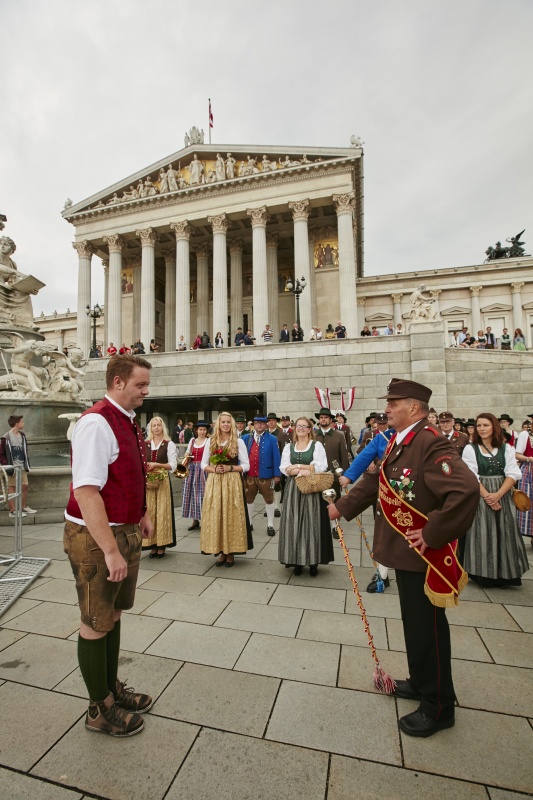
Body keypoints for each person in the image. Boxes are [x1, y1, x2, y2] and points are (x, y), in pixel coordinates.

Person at [328, 378, 479, 738]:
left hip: (423, 555)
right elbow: (380, 480)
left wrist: (431, 533)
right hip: (407, 553)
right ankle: (421, 681)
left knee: (428, 630)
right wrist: (342, 508)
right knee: (415, 625)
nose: (388, 409)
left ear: (414, 407)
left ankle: (439, 706)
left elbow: (466, 490)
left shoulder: (429, 442)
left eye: (394, 403)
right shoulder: (401, 439)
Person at [63, 354, 153, 737]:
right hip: (97, 539)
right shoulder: (97, 422)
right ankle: (98, 708)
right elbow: (86, 491)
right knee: (94, 622)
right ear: (118, 382)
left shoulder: (125, 421)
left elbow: (129, 473)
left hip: (123, 529)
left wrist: (143, 512)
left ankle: (110, 689)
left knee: (114, 614)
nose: (146, 392)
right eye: (140, 385)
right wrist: (111, 550)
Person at [462, 413, 528, 587]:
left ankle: (507, 574)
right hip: (480, 494)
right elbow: (471, 476)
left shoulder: (506, 448)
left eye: (485, 425)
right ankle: (483, 574)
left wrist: (498, 494)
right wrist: (488, 497)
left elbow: (513, 473)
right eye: (479, 426)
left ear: (494, 427)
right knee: (483, 532)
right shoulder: (471, 448)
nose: (481, 429)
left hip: (503, 492)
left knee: (506, 530)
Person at [339, 411, 395, 592]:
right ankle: (383, 576)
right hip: (386, 493)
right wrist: (348, 476)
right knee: (384, 533)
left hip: (413, 497)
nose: (384, 424)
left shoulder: (415, 436)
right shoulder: (381, 439)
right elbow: (364, 456)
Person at [278, 417, 333, 576]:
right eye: (298, 426)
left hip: (311, 487)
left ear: (310, 429)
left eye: (304, 426)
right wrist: (303, 469)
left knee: (312, 523)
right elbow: (284, 467)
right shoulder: (289, 446)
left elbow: (321, 466)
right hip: (293, 488)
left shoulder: (317, 446)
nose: (300, 428)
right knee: (293, 523)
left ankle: (313, 561)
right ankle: (296, 561)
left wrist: (297, 467)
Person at [200, 413, 252, 566]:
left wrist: (230, 467)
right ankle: (220, 550)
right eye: (223, 422)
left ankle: (230, 553)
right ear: (218, 424)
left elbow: (246, 465)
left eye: (228, 422)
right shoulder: (211, 441)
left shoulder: (238, 441)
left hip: (232, 481)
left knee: (230, 515)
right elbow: (203, 464)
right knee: (217, 514)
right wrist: (213, 469)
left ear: (232, 424)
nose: (225, 425)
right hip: (215, 481)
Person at [143, 417, 177, 559]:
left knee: (162, 512)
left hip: (162, 481)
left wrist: (157, 465)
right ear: (150, 428)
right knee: (150, 511)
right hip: (148, 482)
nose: (156, 428)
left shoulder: (169, 444)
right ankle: (151, 543)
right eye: (154, 426)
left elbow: (173, 465)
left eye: (158, 425)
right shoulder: (145, 444)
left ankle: (161, 544)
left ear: (163, 427)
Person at [241, 416, 282, 536]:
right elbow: (241, 456)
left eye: (262, 423)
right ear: (253, 424)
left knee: (269, 500)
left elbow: (276, 457)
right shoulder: (245, 438)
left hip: (266, 475)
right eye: (257, 423)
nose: (259, 425)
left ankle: (270, 525)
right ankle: (249, 523)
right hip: (249, 475)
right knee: (249, 500)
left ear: (266, 425)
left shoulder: (272, 438)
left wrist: (277, 474)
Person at [314, 407, 349, 538]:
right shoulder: (313, 435)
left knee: (334, 500)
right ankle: (320, 526)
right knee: (318, 501)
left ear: (330, 420)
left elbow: (344, 457)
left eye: (325, 417)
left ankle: (335, 526)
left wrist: (345, 475)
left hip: (334, 475)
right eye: (321, 417)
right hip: (317, 475)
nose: (323, 419)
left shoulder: (339, 435)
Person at [0, 415, 37, 517]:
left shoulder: (22, 435)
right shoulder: (6, 437)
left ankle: (23, 507)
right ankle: (12, 511)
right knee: (11, 487)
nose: (23, 423)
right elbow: (1, 453)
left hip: (22, 466)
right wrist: (6, 464)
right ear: (17, 424)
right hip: (12, 467)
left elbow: (25, 450)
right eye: (22, 422)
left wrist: (26, 463)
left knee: (25, 485)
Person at [181, 421, 209, 531]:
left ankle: (205, 520)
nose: (202, 432)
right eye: (200, 429)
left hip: (203, 470)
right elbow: (187, 452)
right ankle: (195, 520)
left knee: (202, 494)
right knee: (191, 494)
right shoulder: (192, 441)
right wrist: (187, 456)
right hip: (192, 470)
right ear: (196, 430)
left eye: (204, 430)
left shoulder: (208, 441)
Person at [514, 414, 533, 546]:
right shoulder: (525, 435)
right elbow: (517, 454)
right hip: (530, 471)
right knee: (529, 502)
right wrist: (529, 459)